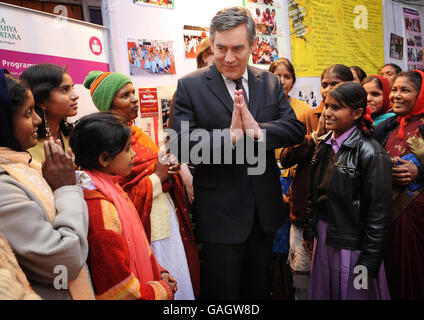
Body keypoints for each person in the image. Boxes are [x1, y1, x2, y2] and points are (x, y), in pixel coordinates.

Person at [171, 7, 305, 300]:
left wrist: (259, 131)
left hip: (264, 212)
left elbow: (294, 129)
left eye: (238, 48)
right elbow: (178, 144)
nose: (229, 57)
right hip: (220, 214)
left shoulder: (268, 82)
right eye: (221, 48)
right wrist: (229, 137)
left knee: (258, 290)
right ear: (211, 43)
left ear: (253, 46)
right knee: (224, 293)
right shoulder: (191, 86)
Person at [83, 71, 199, 300]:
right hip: (149, 230)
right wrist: (158, 176)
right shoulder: (105, 144)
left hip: (166, 220)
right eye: (125, 95)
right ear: (109, 105)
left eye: (133, 92)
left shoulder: (137, 134)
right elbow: (119, 194)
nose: (134, 98)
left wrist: (170, 172)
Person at [0, 70, 91, 300]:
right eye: (28, 113)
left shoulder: (21, 164)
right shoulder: (4, 186)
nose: (37, 120)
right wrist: (65, 189)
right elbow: (65, 260)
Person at [70, 112, 177, 300]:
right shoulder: (100, 210)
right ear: (104, 159)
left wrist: (158, 271)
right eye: (128, 149)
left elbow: (138, 247)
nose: (134, 154)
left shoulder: (111, 187)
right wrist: (162, 290)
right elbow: (120, 291)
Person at [303, 81, 392, 300]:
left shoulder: (371, 153)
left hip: (352, 243)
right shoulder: (324, 144)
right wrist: (309, 229)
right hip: (325, 235)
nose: (327, 113)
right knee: (326, 291)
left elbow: (378, 214)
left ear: (357, 113)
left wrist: (369, 260)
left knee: (353, 291)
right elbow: (313, 193)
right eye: (326, 106)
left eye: (336, 107)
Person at [279, 64, 354, 300]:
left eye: (335, 84)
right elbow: (286, 157)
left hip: (338, 221)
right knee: (304, 284)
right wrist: (313, 137)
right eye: (324, 85)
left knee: (337, 283)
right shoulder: (308, 116)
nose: (327, 90)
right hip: (305, 214)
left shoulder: (357, 127)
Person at [374, 70, 424, 299]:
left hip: (417, 215)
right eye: (394, 89)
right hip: (389, 215)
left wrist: (420, 171)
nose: (396, 95)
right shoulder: (387, 127)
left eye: (405, 90)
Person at [269, 57, 310, 299]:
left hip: (296, 180)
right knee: (274, 238)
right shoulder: (261, 108)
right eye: (277, 76)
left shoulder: (303, 109)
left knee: (294, 240)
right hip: (271, 180)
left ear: (293, 80)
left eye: (287, 76)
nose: (282, 81)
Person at [20, 64, 78, 166]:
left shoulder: (72, 135)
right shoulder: (27, 145)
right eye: (64, 90)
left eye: (72, 88)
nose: (75, 96)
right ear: (42, 100)